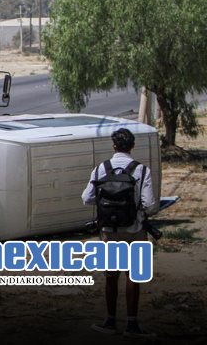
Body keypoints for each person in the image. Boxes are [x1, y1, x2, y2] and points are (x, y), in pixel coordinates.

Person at [82, 128, 157, 338]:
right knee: (133, 276)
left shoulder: (100, 169)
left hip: (108, 231)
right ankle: (132, 325)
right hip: (134, 230)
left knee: (111, 276)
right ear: (132, 146)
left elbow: (87, 198)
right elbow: (149, 204)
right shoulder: (142, 170)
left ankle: (110, 321)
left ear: (113, 145)